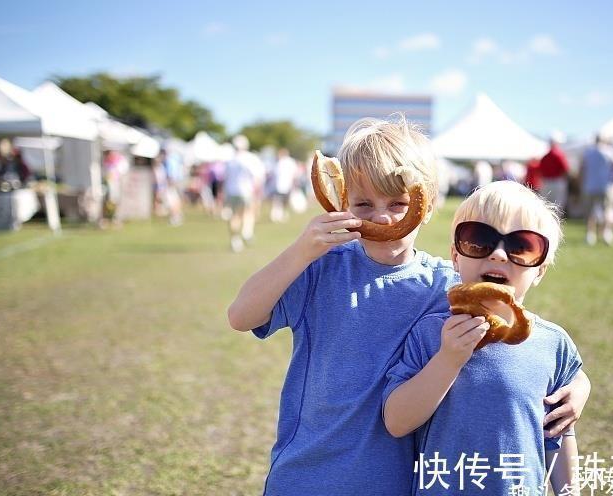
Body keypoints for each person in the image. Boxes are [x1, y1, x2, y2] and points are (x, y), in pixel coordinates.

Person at [227, 117, 590, 495]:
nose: (382, 217)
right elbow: (241, 316)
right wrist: (301, 251)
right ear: (342, 202)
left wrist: (580, 385)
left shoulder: (449, 286)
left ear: (426, 207)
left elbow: (525, 349)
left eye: (398, 203)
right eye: (363, 204)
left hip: (396, 482)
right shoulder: (322, 269)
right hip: (310, 475)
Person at [384, 181, 582, 495]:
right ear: (455, 257)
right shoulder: (430, 334)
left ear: (540, 270)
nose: (499, 255)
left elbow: (559, 434)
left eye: (522, 246)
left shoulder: (553, 344)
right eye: (479, 240)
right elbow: (396, 421)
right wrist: (447, 361)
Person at [581, 135, 613, 246]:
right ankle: (607, 234)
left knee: (590, 211)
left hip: (589, 186)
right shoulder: (610, 151)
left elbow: (582, 169)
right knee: (608, 210)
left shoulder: (588, 152)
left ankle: (590, 235)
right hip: (607, 186)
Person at [224, 135, 258, 252]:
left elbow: (225, 178)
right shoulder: (248, 158)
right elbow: (255, 176)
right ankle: (246, 232)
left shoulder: (230, 160)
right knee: (248, 212)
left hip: (231, 191)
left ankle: (235, 240)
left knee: (234, 216)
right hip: (245, 191)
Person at [540, 137, 571, 213]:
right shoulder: (559, 154)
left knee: (546, 205)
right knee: (558, 205)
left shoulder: (544, 157)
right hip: (557, 182)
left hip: (546, 182)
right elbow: (566, 169)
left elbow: (540, 170)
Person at [270, 148, 296, 222]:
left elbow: (293, 174)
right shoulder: (278, 162)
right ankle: (277, 214)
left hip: (286, 185)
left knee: (284, 201)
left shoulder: (289, 162)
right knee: (278, 201)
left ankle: (282, 214)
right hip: (278, 185)